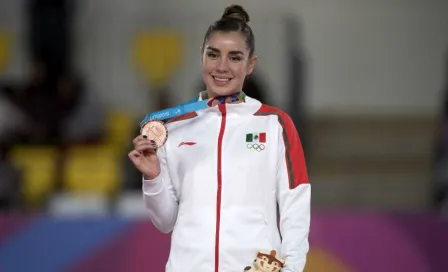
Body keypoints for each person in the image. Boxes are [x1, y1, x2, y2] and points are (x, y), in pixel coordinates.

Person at [128, 5, 311, 272]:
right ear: (201, 57)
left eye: (235, 57)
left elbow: (295, 204)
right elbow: (165, 222)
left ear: (251, 65)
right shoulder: (174, 127)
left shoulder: (276, 125)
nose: (222, 67)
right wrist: (153, 176)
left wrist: (292, 268)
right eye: (213, 55)